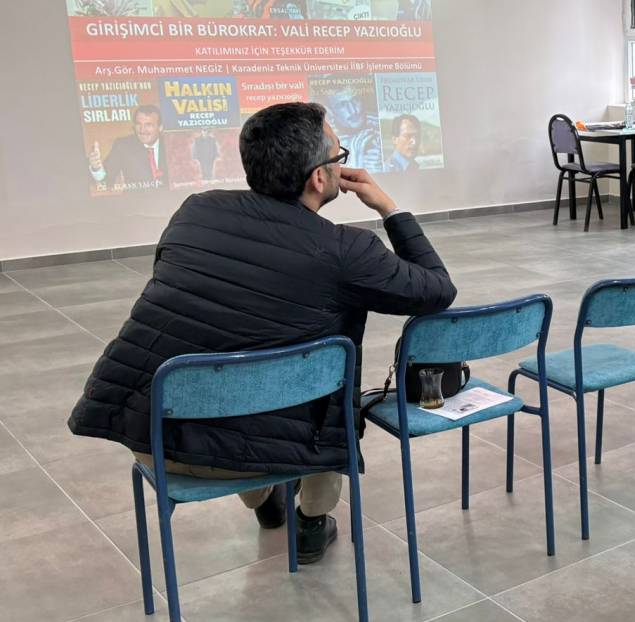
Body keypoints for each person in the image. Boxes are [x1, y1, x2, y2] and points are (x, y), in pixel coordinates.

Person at [68, 101, 457, 563]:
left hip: (154, 438)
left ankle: (265, 503)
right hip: (273, 452)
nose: (342, 165)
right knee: (328, 387)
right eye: (339, 156)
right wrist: (390, 209)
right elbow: (438, 289)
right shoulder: (347, 249)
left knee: (239, 361)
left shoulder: (195, 212)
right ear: (319, 177)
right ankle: (312, 522)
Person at [88, 105, 166, 189]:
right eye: (138, 124)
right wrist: (97, 169)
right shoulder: (123, 146)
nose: (142, 130)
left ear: (160, 127)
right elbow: (106, 181)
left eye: (148, 125)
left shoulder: (171, 145)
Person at [327, 86, 384, 172]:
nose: (353, 110)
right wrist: (357, 153)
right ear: (330, 112)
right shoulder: (325, 139)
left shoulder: (380, 122)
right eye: (342, 105)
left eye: (355, 100)